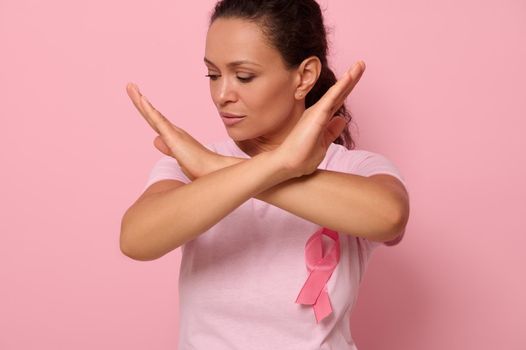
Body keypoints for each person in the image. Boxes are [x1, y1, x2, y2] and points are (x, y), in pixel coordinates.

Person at [120, 0, 410, 348]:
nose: (222, 95)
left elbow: (389, 217)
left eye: (244, 76)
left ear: (303, 77)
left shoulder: (354, 168)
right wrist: (278, 164)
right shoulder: (185, 163)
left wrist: (215, 169)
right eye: (213, 75)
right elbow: (136, 239)